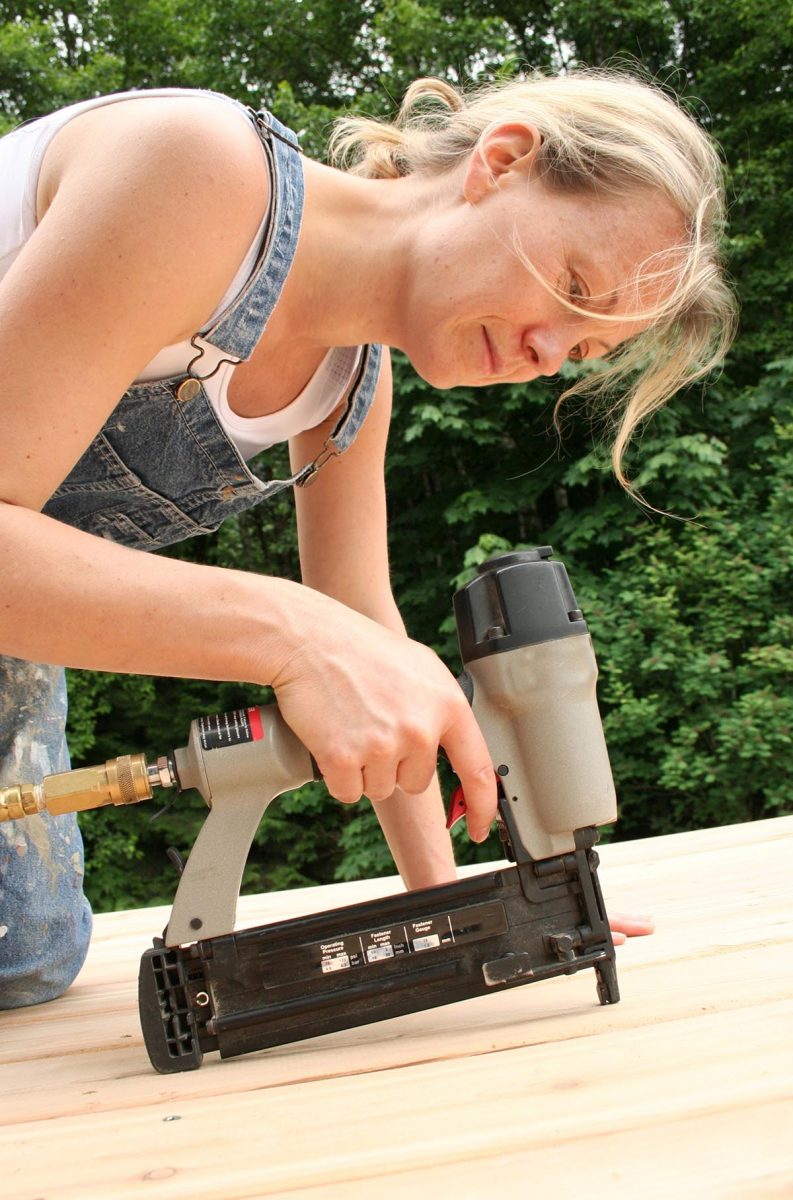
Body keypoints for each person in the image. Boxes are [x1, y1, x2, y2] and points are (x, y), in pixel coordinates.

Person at [0, 69, 735, 1009]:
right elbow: (332, 634)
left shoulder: (348, 387)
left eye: (583, 349)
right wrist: (296, 637)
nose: (549, 353)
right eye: (574, 290)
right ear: (502, 161)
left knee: (25, 958)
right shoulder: (196, 167)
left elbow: (365, 625)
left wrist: (460, 913)